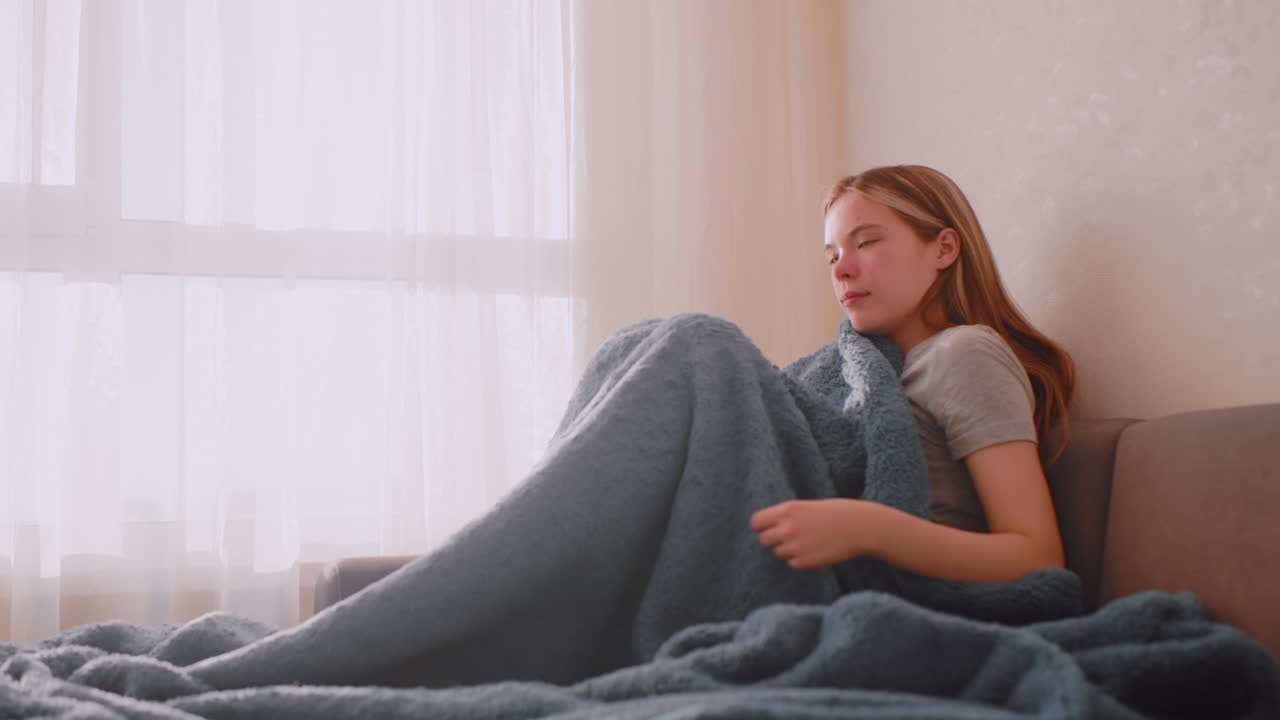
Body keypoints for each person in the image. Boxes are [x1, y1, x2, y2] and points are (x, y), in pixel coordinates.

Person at [751, 164, 1076, 585]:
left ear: (944, 249)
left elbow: (1039, 557)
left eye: (865, 242)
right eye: (831, 255)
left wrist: (866, 529)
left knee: (699, 340)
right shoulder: (859, 372)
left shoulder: (964, 354)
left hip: (910, 604)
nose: (840, 269)